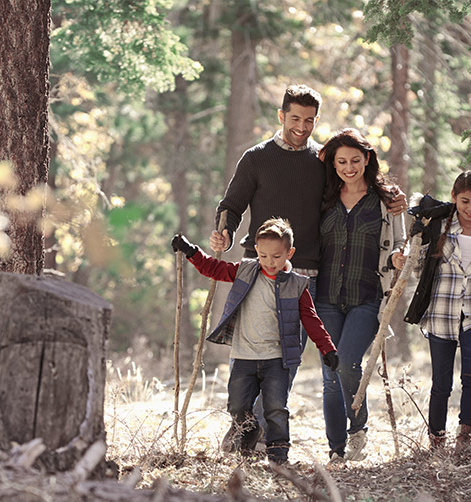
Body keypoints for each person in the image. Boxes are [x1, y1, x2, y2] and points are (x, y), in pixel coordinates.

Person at [209, 84, 407, 440]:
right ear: (281, 115)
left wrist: (392, 196)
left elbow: (357, 184)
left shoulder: (321, 161)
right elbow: (231, 205)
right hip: (258, 271)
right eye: (295, 118)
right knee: (254, 353)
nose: (301, 126)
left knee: (288, 359)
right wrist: (223, 231)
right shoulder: (256, 157)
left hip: (307, 276)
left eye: (310, 120)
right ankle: (244, 426)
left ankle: (255, 432)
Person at [171, 217, 338, 465]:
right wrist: (191, 251)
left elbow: (311, 319)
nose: (270, 263)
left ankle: (278, 455)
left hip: (277, 360)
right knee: (237, 406)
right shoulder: (245, 271)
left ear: (289, 253)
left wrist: (327, 348)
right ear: (256, 251)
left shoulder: (296, 285)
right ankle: (248, 432)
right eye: (264, 256)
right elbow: (213, 269)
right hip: (243, 357)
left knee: (276, 409)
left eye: (277, 257)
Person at [404, 169, 471, 456]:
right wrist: (417, 241)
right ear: (454, 198)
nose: (470, 208)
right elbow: (418, 270)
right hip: (441, 313)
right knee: (441, 383)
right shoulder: (439, 227)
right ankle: (437, 439)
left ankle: (466, 436)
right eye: (465, 201)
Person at [315, 128, 406, 463]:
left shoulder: (386, 201)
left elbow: (401, 242)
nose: (349, 167)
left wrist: (399, 256)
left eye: (355, 159)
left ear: (367, 159)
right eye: (342, 161)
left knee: (348, 362)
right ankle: (336, 450)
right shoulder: (323, 197)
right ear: (334, 164)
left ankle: (358, 429)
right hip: (325, 298)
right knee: (329, 374)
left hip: (367, 297)